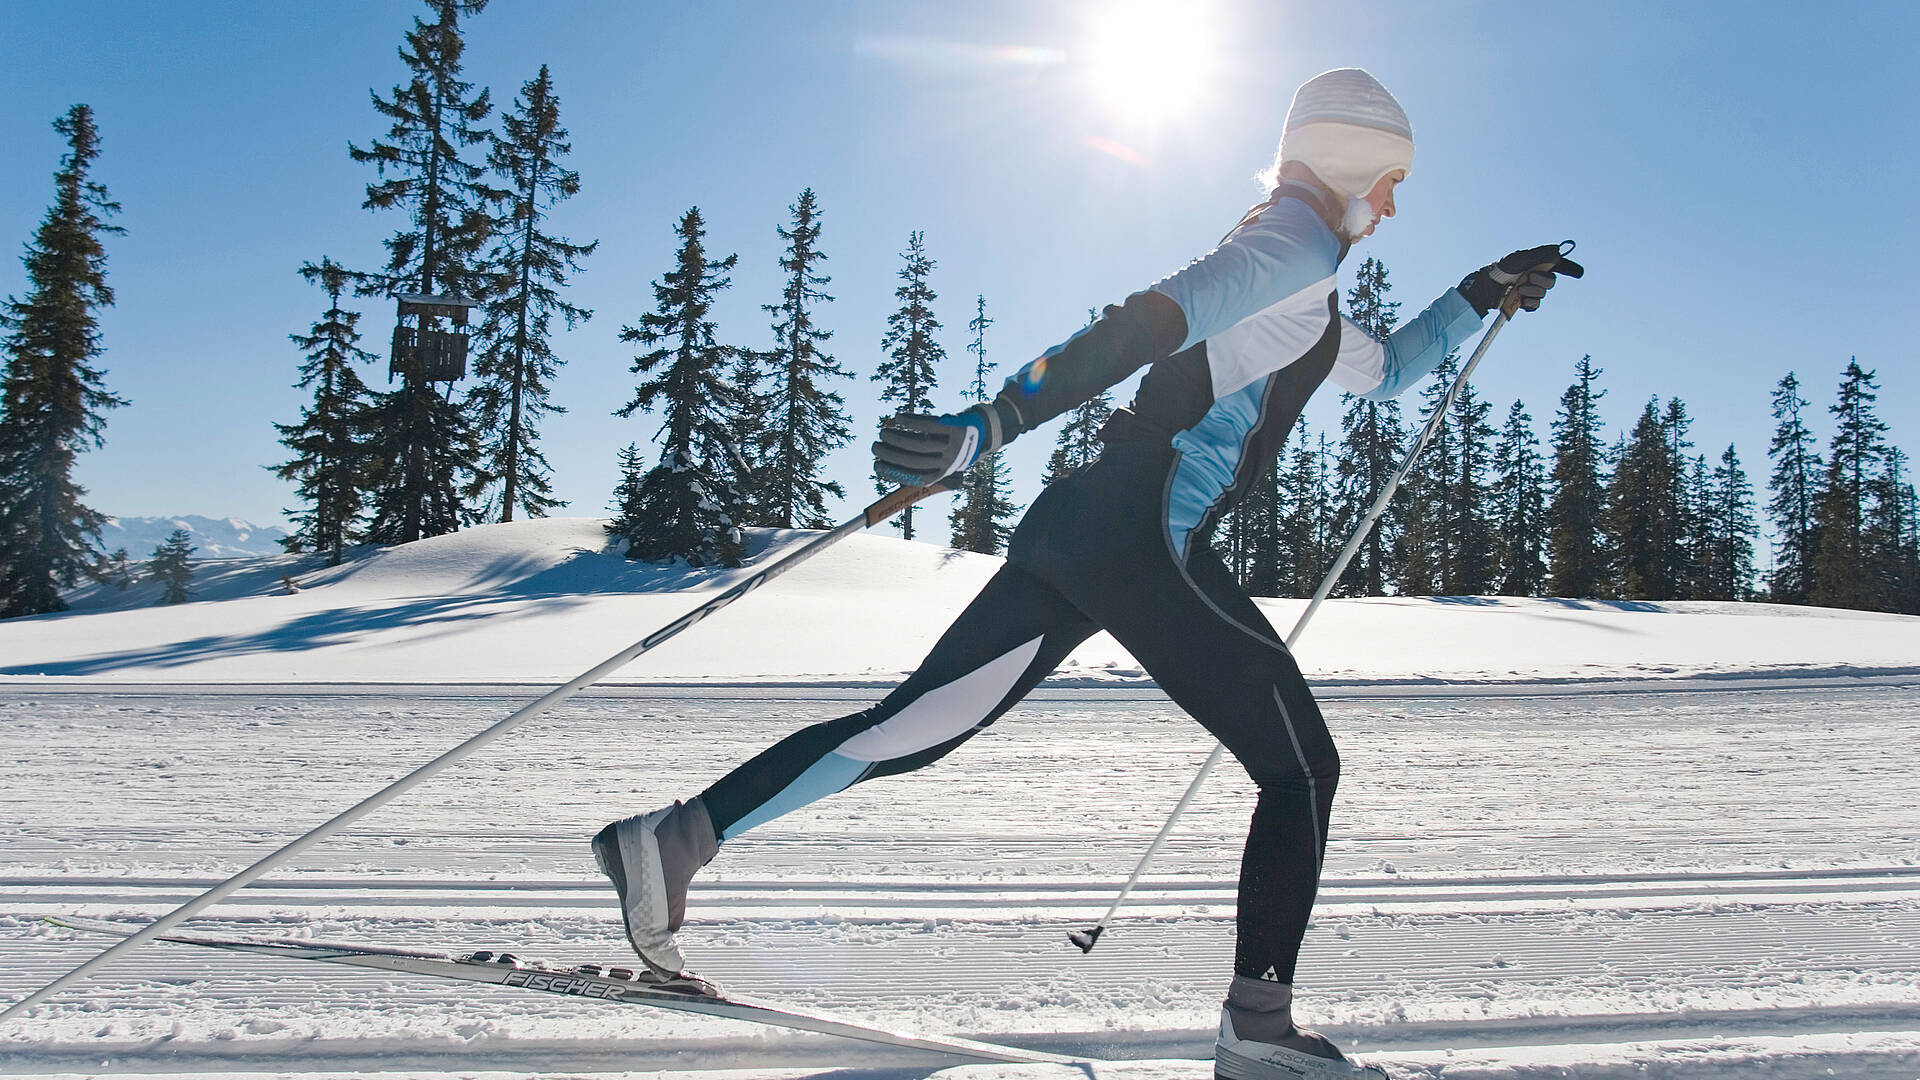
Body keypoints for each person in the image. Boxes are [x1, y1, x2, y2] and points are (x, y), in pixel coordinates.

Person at [592, 68, 1580, 1080]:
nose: (1394, 203)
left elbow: (1390, 368)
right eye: (1393, 179)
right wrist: (995, 422)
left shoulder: (1305, 281)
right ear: (1354, 162)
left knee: (911, 728)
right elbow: (1144, 323)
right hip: (1146, 530)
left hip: (1088, 523)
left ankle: (672, 843)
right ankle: (1259, 1030)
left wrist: (1480, 293)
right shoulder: (1294, 243)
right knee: (1301, 771)